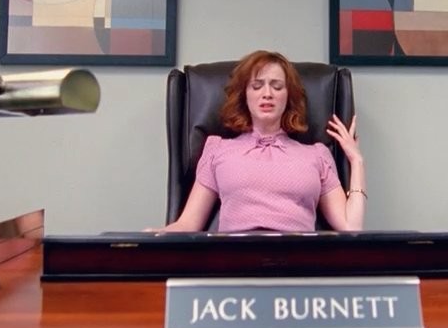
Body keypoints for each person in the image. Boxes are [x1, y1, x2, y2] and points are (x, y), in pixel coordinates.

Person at [154, 50, 366, 232]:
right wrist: (153, 237)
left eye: (277, 86)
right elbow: (188, 224)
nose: (267, 94)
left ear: (288, 96)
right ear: (244, 95)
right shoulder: (217, 150)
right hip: (235, 260)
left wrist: (357, 161)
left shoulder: (317, 155)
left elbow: (350, 226)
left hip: (296, 260)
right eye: (256, 86)